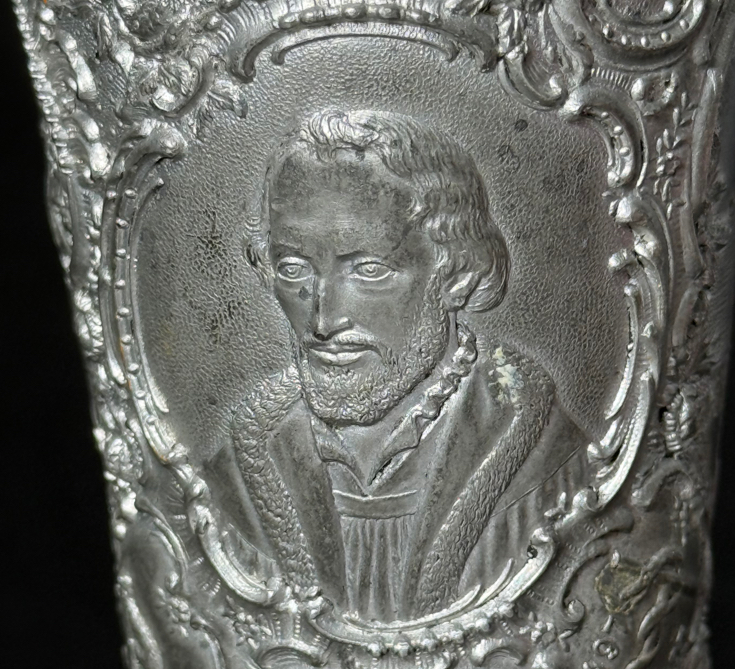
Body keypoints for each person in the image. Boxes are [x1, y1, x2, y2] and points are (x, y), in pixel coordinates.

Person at [207, 109, 585, 622]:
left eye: (368, 270)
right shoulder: (240, 470)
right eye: (293, 268)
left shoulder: (551, 467)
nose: (322, 320)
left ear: (457, 273)